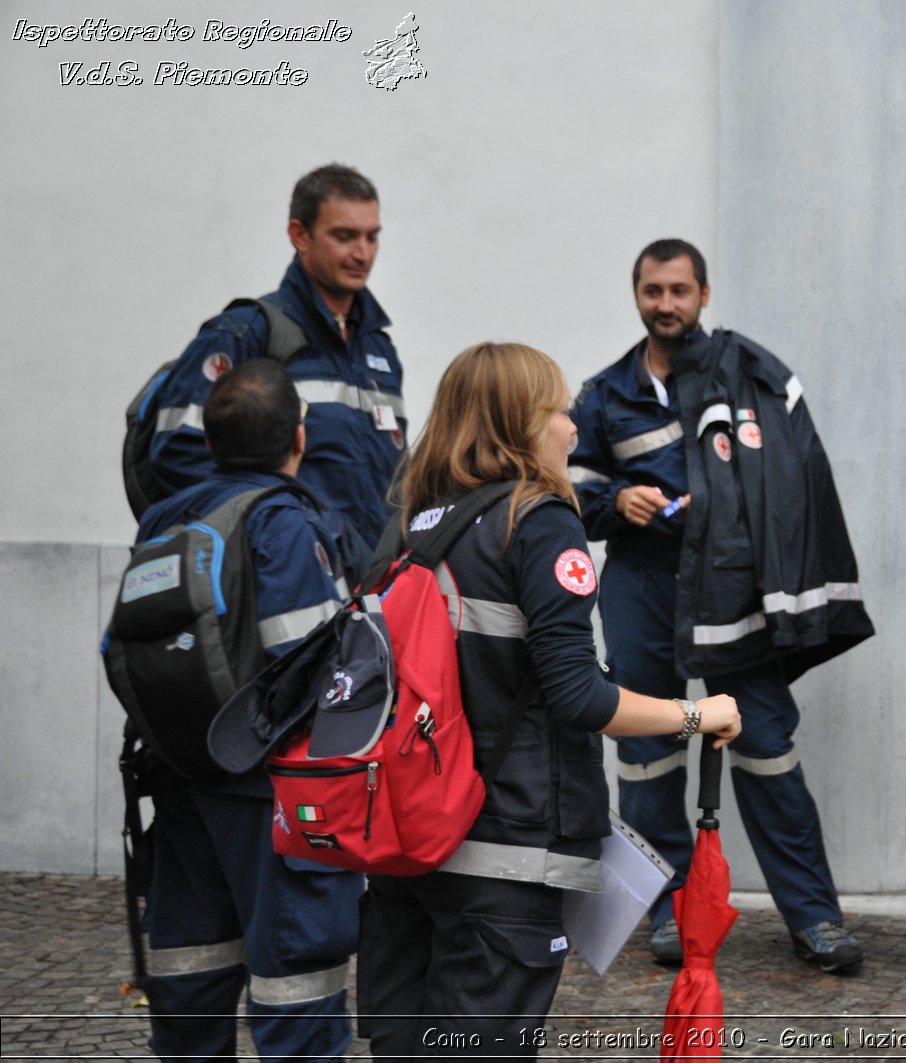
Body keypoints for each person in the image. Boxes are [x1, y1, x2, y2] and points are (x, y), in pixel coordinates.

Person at [357, 342, 741, 1056]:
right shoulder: (536, 519)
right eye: (557, 410)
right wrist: (696, 714)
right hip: (506, 850)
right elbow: (578, 693)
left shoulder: (408, 525)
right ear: (519, 424)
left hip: (408, 845)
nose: (571, 427)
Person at [568, 238, 874, 973]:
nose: (665, 304)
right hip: (643, 585)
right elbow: (570, 491)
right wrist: (617, 499)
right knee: (647, 757)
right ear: (636, 295)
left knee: (766, 747)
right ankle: (669, 908)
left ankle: (815, 917)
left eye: (679, 289)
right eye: (652, 290)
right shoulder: (606, 392)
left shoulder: (751, 372)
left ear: (704, 293)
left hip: (736, 589)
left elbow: (797, 480)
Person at [135, 360, 363, 1061]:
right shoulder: (285, 523)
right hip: (268, 795)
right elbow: (325, 668)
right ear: (300, 437)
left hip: (176, 777)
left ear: (209, 443)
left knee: (189, 975)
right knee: (296, 988)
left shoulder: (162, 517)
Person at [148, 163, 403, 558]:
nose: (362, 253)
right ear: (300, 235)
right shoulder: (246, 333)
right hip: (290, 575)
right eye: (344, 236)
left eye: (372, 237)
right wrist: (278, 538)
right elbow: (178, 453)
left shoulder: (379, 349)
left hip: (369, 584)